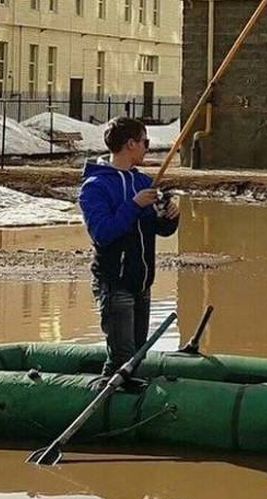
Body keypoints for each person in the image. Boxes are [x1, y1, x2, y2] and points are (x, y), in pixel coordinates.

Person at [79, 117, 179, 387]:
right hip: (114, 282)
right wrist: (134, 205)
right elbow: (103, 233)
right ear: (130, 144)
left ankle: (133, 405)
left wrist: (170, 215)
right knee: (121, 358)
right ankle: (107, 405)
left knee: (136, 355)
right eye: (145, 142)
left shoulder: (142, 181)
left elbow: (160, 229)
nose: (148, 147)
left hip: (141, 282)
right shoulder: (95, 187)